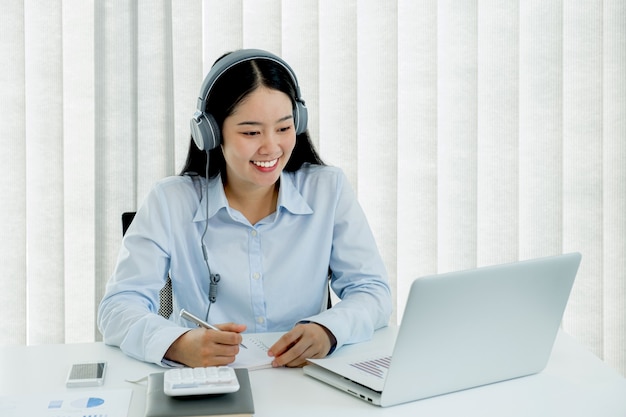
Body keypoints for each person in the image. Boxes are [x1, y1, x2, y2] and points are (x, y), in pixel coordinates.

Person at [97, 49, 392, 368]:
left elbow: (372, 292)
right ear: (210, 133)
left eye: (283, 128)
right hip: (208, 382)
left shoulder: (327, 190)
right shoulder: (171, 201)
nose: (271, 147)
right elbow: (117, 308)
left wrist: (329, 330)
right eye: (251, 132)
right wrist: (177, 344)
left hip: (302, 379)